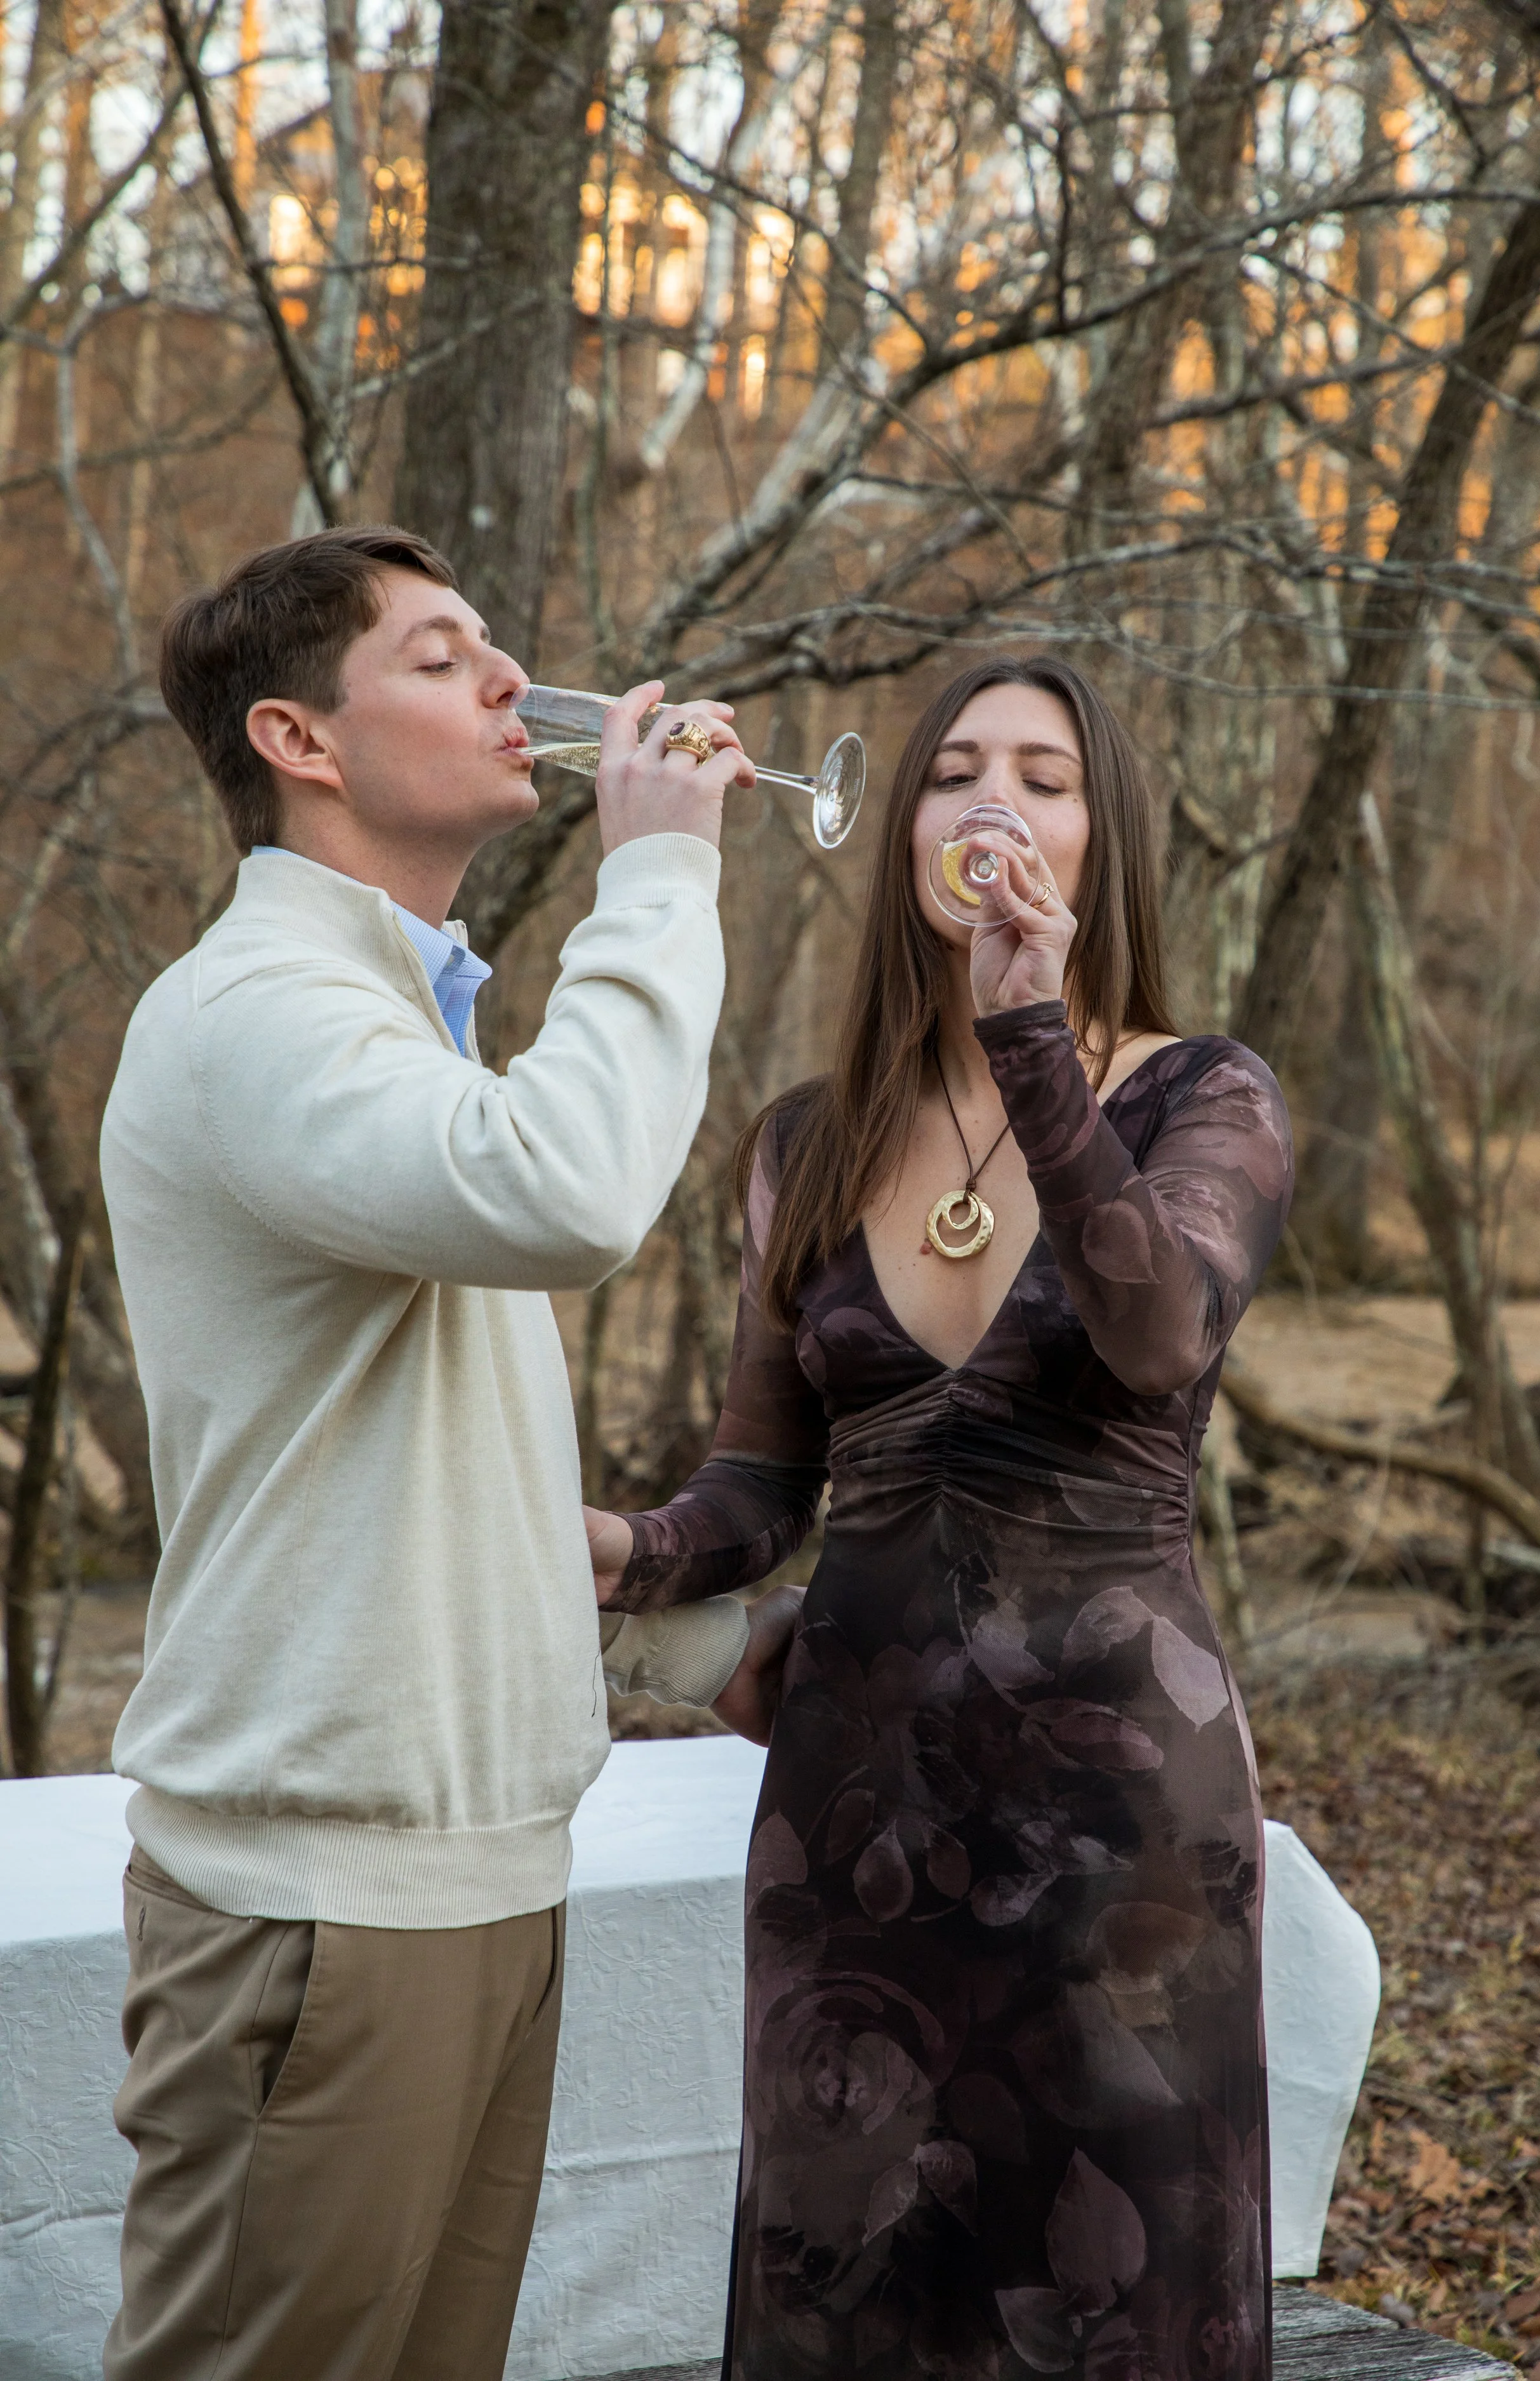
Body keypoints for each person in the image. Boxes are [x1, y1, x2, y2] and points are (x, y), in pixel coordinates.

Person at [98, 524, 798, 2381]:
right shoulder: (254, 1014)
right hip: (321, 1908)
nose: (510, 681)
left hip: (474, 1876)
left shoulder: (402, 1022)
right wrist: (654, 878)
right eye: (438, 653)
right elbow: (568, 1191)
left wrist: (650, 1626)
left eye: (496, 644)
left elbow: (387, 1455)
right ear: (297, 738)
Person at [585, 658, 1295, 2381]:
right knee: (859, 2285)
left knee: (1116, 2280)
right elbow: (759, 1487)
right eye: (954, 770)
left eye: (1042, 777)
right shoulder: (804, 1141)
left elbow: (1156, 1334)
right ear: (895, 826)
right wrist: (608, 1548)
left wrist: (1030, 1038)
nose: (992, 804)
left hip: (1121, 1820)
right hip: (855, 1817)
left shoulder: (1209, 1095)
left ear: (1097, 835)